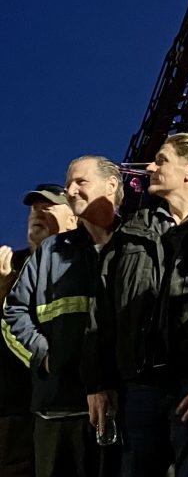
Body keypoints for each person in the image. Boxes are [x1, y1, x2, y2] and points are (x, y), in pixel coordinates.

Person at [84, 133, 188, 477]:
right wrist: (98, 383)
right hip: (139, 393)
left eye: (161, 160)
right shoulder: (131, 233)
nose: (150, 167)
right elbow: (101, 314)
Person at [3, 158, 121, 477]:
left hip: (121, 407)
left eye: (80, 182)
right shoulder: (49, 253)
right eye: (68, 184)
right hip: (55, 410)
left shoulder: (134, 242)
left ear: (112, 185)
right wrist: (42, 355)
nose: (71, 190)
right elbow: (12, 312)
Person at [0, 183, 76, 477]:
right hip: (12, 407)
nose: (37, 212)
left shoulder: (82, 264)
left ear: (73, 219)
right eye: (34, 208)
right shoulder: (9, 265)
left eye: (49, 206)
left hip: (63, 405)